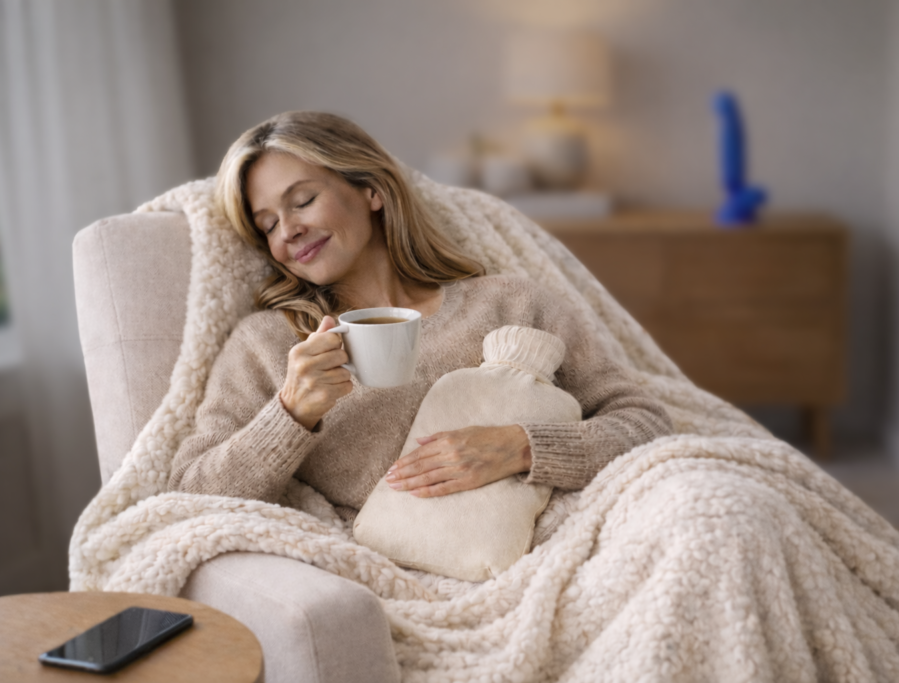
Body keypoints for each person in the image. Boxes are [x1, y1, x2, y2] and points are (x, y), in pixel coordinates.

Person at [169, 111, 672, 518]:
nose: (289, 231)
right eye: (267, 225)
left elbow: (643, 422)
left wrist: (520, 447)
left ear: (372, 191)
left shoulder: (510, 304)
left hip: (575, 530)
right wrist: (292, 412)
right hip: (414, 578)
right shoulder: (270, 346)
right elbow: (190, 495)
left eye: (302, 201)